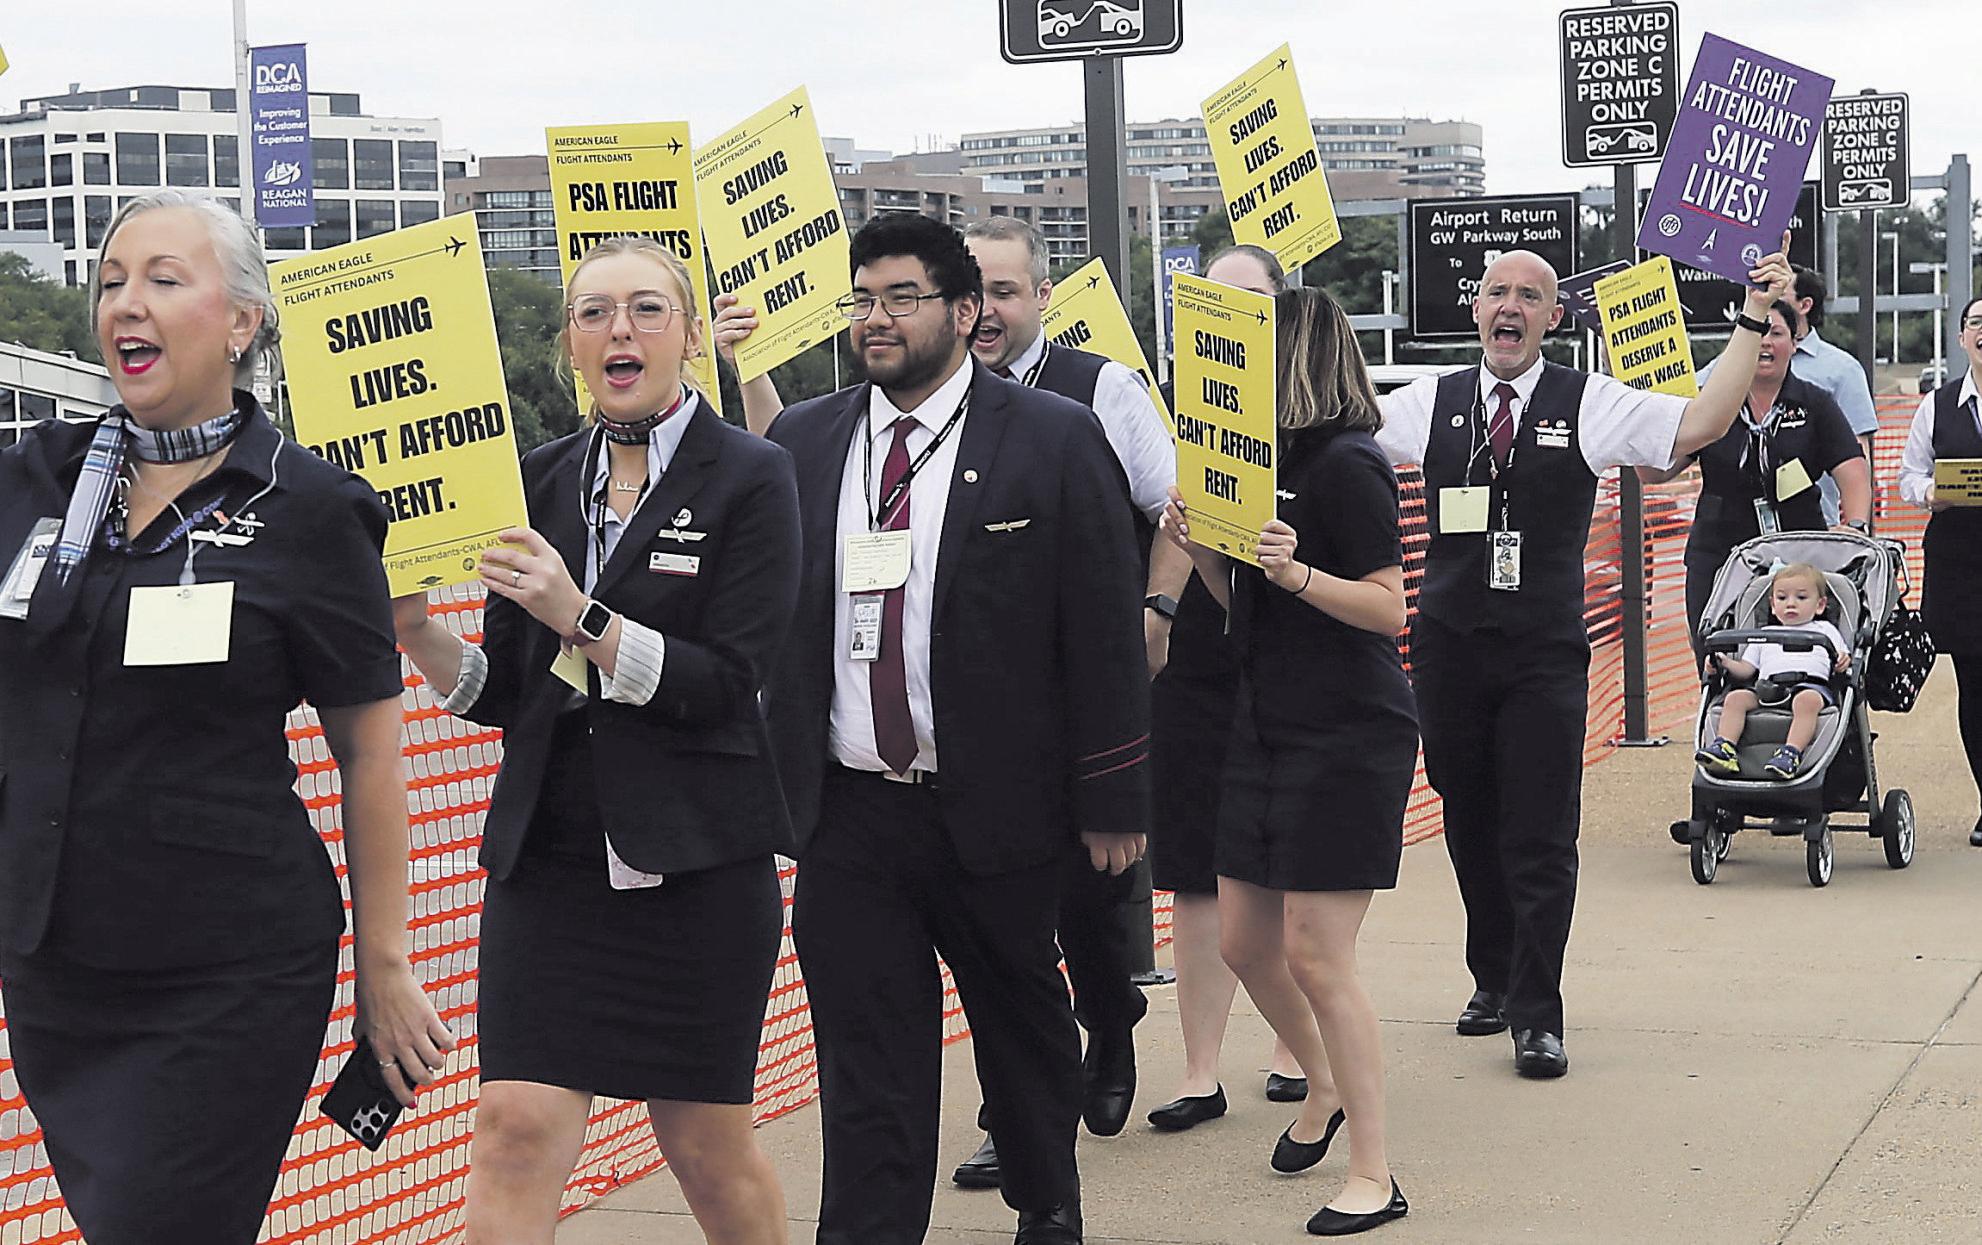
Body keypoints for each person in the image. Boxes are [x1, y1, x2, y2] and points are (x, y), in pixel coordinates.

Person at [0, 189, 453, 1244]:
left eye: (164, 279)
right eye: (113, 282)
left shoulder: (311, 508)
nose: (127, 305)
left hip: (226, 975)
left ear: (241, 322)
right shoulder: (31, 482)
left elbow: (372, 756)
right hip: (57, 968)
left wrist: (386, 967)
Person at [718, 213, 1184, 1186]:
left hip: (998, 809)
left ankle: (1046, 1204)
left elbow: (1102, 631)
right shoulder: (807, 438)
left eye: (899, 298)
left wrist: (1112, 800)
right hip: (849, 813)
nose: (874, 319)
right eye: (861, 300)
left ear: (962, 311)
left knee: (1020, 1028)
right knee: (868, 1063)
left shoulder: (1053, 437)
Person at [393, 237, 800, 1245]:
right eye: (594, 312)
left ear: (690, 336)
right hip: (552, 860)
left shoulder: (754, 476)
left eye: (646, 309)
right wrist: (413, 630)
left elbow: (724, 685)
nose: (620, 329)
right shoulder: (533, 480)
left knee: (704, 1142)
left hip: (697, 862)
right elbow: (504, 692)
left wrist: (584, 616)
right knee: (512, 1124)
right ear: (571, 343)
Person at [1374, 241, 1795, 1078]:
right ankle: (1492, 976)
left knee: (1538, 829)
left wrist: (1750, 315)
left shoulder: (1588, 401)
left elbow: (1697, 423)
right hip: (1448, 651)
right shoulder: (1429, 403)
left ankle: (1538, 1010)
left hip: (1543, 655)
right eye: (1499, 293)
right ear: (1476, 309)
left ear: (1553, 318)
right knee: (1468, 816)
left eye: (1530, 296)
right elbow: (1334, 434)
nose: (1512, 307)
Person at [1161, 287, 1417, 1236]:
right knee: (1241, 941)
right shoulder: (1254, 466)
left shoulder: (1350, 464)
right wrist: (1210, 555)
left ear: (1291, 355)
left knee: (1317, 951)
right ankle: (1323, 1082)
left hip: (1346, 731)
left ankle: (1374, 1171)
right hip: (1262, 723)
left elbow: (1390, 608)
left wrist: (1296, 572)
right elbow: (1245, 610)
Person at [1143, 243, 1313, 1132]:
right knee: (1196, 868)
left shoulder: (1316, 417)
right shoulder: (1177, 413)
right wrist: (1160, 610)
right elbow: (1166, 520)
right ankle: (1199, 1070)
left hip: (1293, 653)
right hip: (1201, 660)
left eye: (1252, 298)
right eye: (1216, 298)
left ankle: (1294, 1045)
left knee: (1278, 860)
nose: (1234, 314)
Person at [1638, 299, 1870, 667]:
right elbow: (1654, 473)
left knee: (1800, 660)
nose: (1765, 343)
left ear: (1794, 344)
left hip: (1799, 550)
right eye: (1757, 333)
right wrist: (1644, 421)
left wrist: (1856, 525)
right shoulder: (1711, 401)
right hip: (1718, 552)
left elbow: (1852, 468)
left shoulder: (1816, 403)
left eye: (1776, 333)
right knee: (1716, 656)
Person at [1699, 265, 1881, 522]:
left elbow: (1855, 456)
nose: (1765, 342)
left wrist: (1855, 524)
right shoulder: (1723, 371)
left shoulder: (1837, 375)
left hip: (1808, 525)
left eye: (1777, 292)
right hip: (1726, 541)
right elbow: (1683, 410)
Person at [1899, 295, 1982, 844]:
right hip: (1961, 562)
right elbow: (1909, 478)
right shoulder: (1938, 405)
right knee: (1975, 686)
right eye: (1977, 322)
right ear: (1961, 338)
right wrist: (1933, 493)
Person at [1695, 562, 1849, 780]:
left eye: (1801, 598)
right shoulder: (1764, 634)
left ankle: (1791, 752)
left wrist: (1844, 660)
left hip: (1809, 686)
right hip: (1766, 689)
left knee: (1807, 702)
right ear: (1772, 605)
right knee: (1735, 698)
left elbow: (1844, 656)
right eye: (1782, 598)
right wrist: (1723, 663)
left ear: (1820, 605)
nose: (1791, 604)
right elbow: (1747, 670)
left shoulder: (1825, 630)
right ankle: (1725, 747)